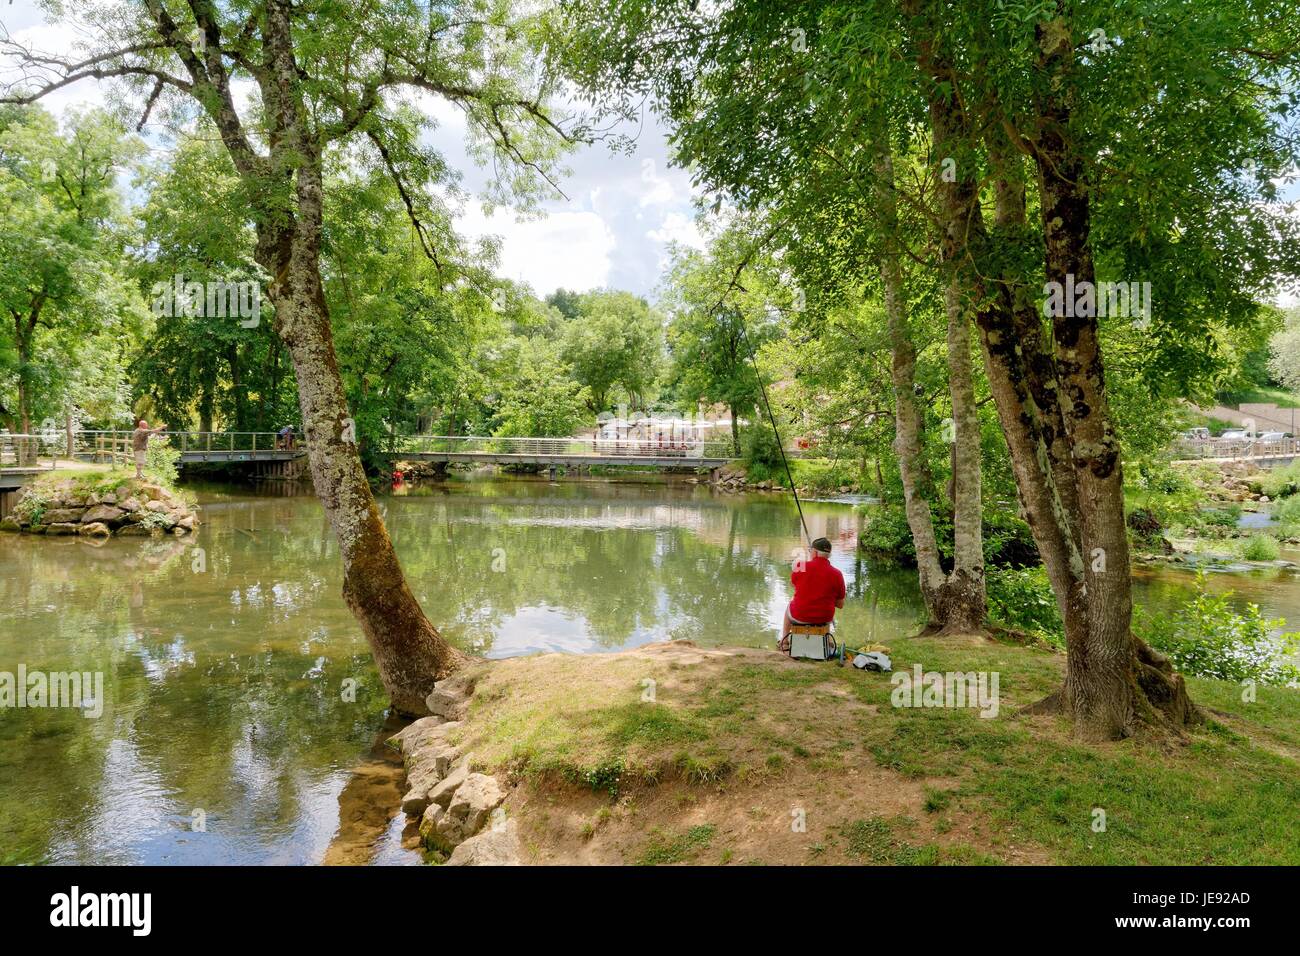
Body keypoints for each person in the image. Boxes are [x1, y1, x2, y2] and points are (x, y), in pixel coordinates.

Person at [779, 536, 846, 653]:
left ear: (814, 552)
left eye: (810, 551)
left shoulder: (801, 567)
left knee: (790, 604)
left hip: (799, 617)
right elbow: (840, 604)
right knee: (827, 605)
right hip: (824, 620)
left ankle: (784, 642)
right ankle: (827, 638)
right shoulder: (837, 574)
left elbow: (793, 584)